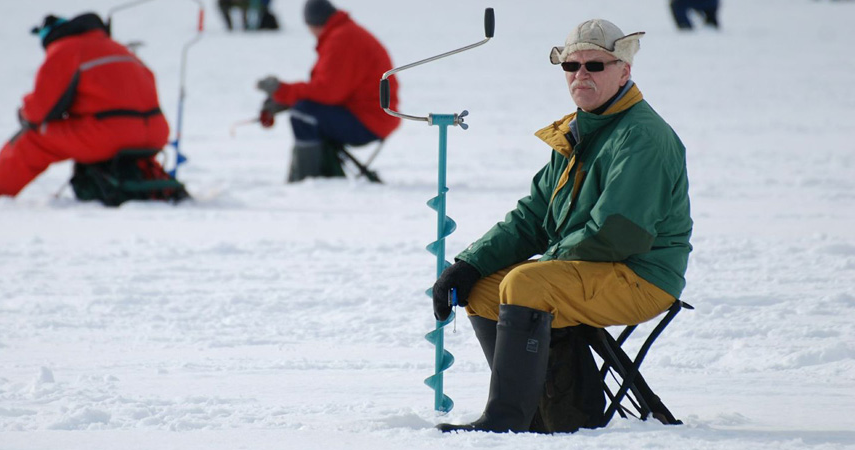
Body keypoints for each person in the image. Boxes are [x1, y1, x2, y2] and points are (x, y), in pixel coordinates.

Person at [432, 19, 693, 433]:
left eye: (595, 65)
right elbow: (532, 218)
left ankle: (503, 421)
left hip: (641, 276)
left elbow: (617, 233)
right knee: (484, 290)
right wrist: (469, 264)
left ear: (624, 70)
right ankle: (542, 416)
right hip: (592, 267)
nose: (581, 75)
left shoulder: (642, 137)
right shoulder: (577, 132)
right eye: (571, 66)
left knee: (525, 284)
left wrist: (544, 266)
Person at [0, 13, 179, 202]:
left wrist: (25, 113)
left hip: (108, 136)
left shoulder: (65, 49)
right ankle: (156, 186)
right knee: (122, 149)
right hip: (154, 135)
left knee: (34, 138)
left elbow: (39, 110)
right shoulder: (118, 48)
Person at [256, 0, 399, 182]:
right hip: (372, 115)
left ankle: (308, 180)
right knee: (305, 110)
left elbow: (327, 92)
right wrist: (286, 99)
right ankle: (323, 174)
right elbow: (332, 90)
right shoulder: (345, 33)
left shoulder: (341, 39)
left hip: (370, 120)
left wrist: (282, 91)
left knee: (302, 115)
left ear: (313, 23)